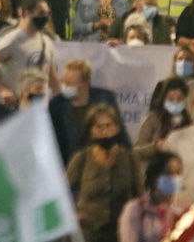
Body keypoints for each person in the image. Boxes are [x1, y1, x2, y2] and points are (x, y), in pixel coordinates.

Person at [66, 103, 142, 242]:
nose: (104, 131)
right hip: (88, 234)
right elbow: (63, 192)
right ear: (91, 131)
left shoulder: (129, 159)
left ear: (117, 128)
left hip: (122, 232)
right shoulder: (81, 158)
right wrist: (74, 215)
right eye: (99, 127)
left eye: (108, 126)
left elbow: (139, 195)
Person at [117, 151, 184, 242]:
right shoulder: (136, 209)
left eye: (177, 173)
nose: (174, 178)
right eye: (168, 173)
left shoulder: (184, 210)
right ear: (154, 177)